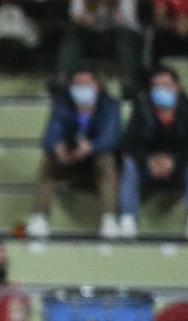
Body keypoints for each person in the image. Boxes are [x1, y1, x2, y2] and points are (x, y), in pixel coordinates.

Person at [28, 67, 123, 240]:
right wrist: (58, 147)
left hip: (95, 165)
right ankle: (39, 217)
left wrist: (91, 147)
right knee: (48, 161)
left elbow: (112, 138)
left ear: (98, 86)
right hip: (69, 162)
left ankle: (110, 218)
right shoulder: (62, 104)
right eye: (77, 84)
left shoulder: (110, 106)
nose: (82, 88)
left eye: (87, 83)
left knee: (107, 160)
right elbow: (49, 137)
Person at [118, 66, 188, 241]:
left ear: (178, 87)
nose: (161, 90)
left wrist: (174, 161)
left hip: (179, 168)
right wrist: (148, 161)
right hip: (149, 168)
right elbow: (130, 142)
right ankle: (128, 219)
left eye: (166, 85)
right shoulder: (141, 108)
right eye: (156, 86)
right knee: (129, 164)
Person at [58, 0, 142, 90]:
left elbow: (128, 16)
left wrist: (113, 16)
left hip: (116, 31)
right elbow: (75, 12)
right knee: (73, 36)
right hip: (90, 32)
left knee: (126, 38)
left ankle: (129, 83)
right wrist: (85, 19)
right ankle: (62, 79)